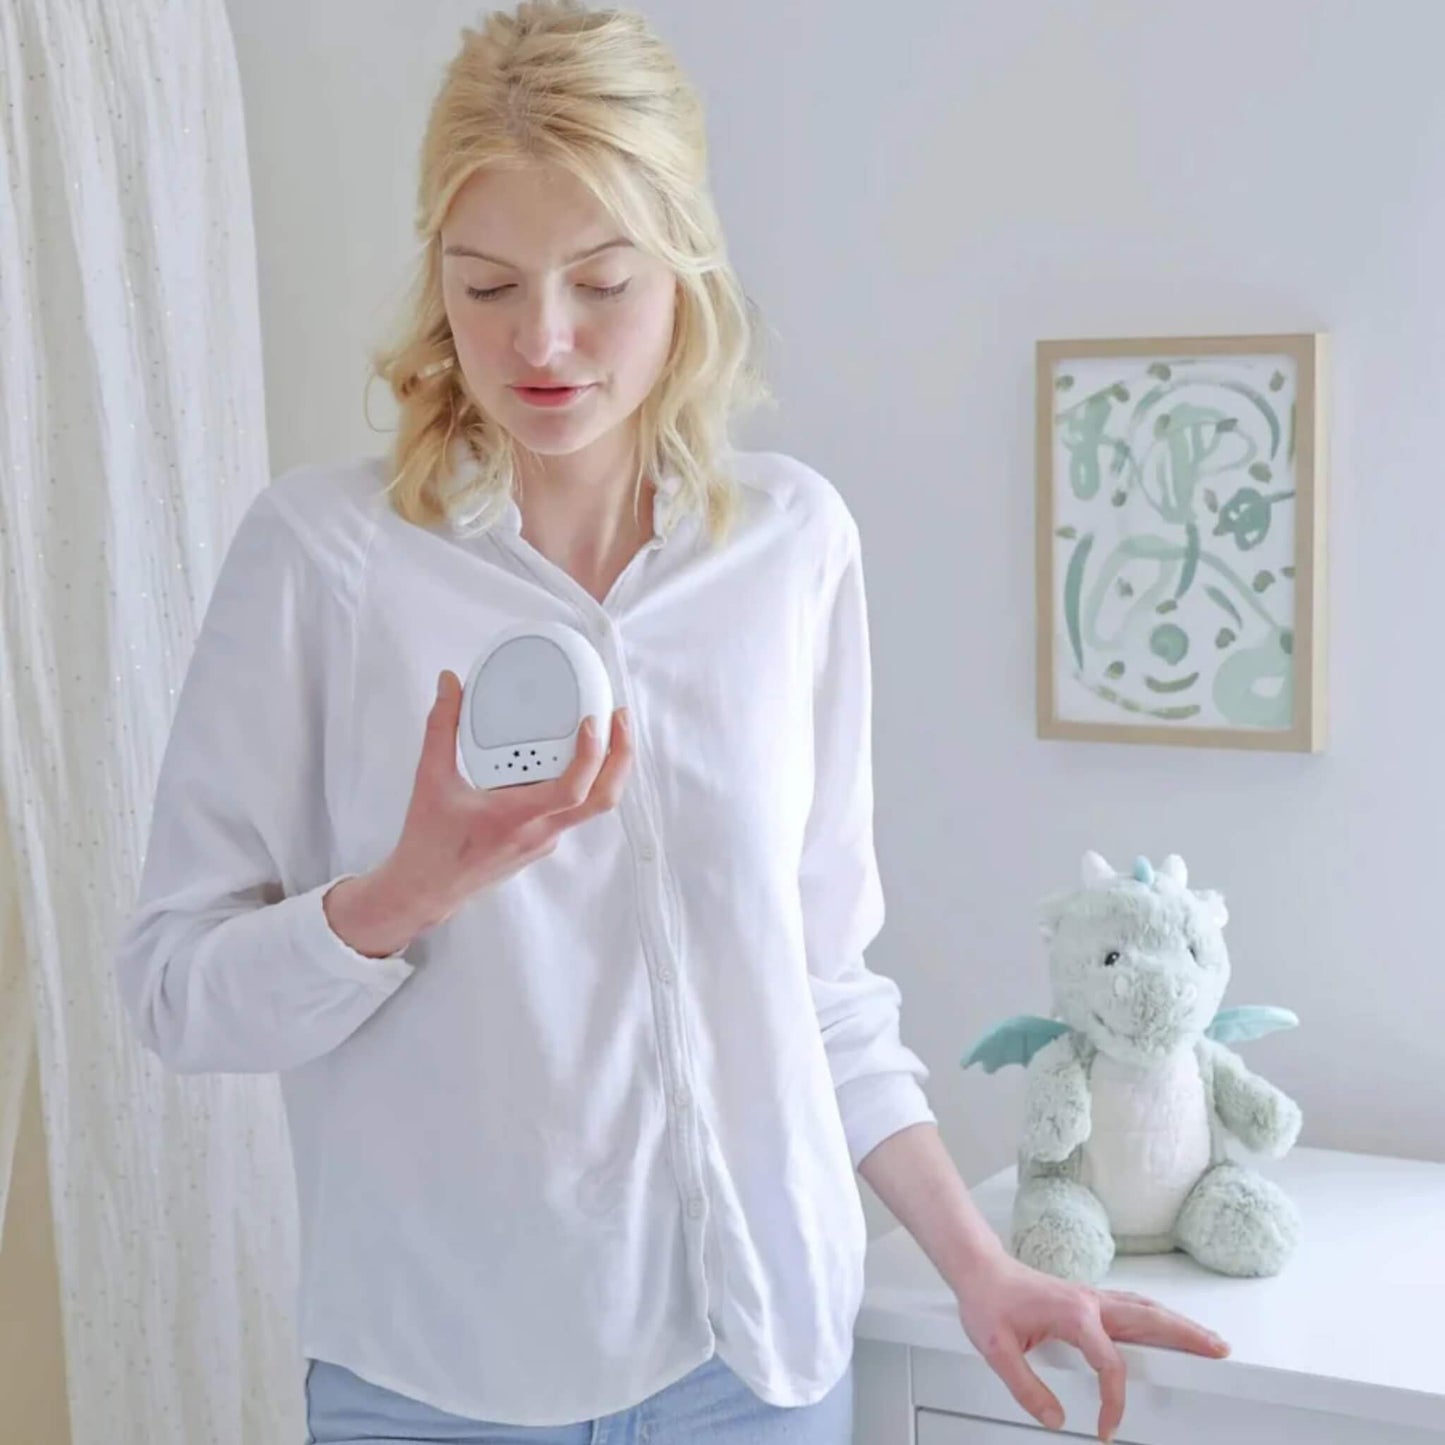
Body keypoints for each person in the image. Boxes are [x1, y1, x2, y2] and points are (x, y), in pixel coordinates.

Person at [113, 3, 1230, 1442]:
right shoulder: (325, 558)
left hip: (751, 1365)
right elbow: (171, 990)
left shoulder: (791, 547)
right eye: (489, 285)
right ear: (434, 284)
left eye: (602, 280)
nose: (545, 339)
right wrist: (399, 896)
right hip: (433, 1378)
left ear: (686, 271)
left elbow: (818, 982)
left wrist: (978, 1263)